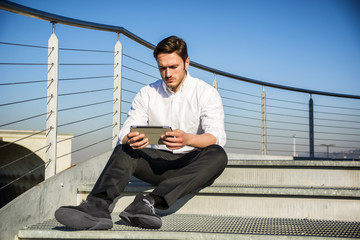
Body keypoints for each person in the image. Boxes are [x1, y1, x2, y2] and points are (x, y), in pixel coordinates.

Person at [55, 36, 228, 230]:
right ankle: (97, 207)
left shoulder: (205, 93)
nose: (167, 73)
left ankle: (146, 203)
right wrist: (131, 138)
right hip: (156, 164)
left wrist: (188, 139)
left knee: (218, 154)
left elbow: (215, 136)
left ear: (187, 62)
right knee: (124, 149)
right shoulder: (147, 93)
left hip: (191, 164)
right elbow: (126, 130)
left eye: (173, 67)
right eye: (162, 68)